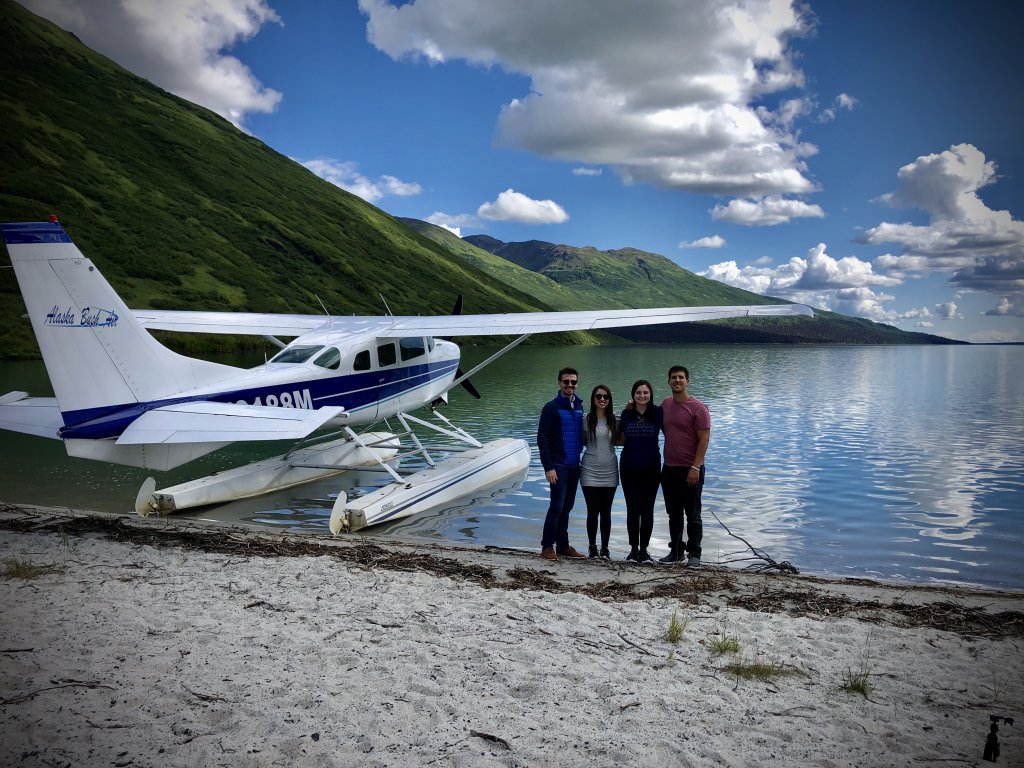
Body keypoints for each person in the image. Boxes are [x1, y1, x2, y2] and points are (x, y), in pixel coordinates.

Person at [659, 365, 710, 567]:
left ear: (687, 381)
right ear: (668, 381)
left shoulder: (698, 408)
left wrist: (695, 467)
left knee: (693, 514)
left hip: (692, 469)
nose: (677, 381)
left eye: (681, 377)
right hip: (669, 468)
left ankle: (695, 554)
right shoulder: (665, 404)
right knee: (673, 513)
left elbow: (704, 439)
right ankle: (677, 551)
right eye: (673, 377)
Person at [536, 367, 586, 561]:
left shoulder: (580, 407)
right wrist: (548, 467)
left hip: (575, 465)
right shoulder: (551, 408)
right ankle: (547, 547)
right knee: (556, 506)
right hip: (558, 466)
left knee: (567, 507)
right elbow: (542, 439)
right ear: (559, 383)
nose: (570, 385)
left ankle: (563, 545)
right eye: (566, 382)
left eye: (573, 382)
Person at [618, 379, 662, 563]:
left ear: (650, 394)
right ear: (633, 395)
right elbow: (618, 436)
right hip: (629, 467)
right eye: (638, 393)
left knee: (648, 510)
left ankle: (644, 550)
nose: (642, 395)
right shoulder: (626, 413)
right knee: (632, 509)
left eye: (645, 392)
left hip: (651, 467)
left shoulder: (658, 413)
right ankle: (633, 550)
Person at [580, 385, 619, 559]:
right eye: (598, 396)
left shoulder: (615, 420)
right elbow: (581, 440)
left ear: (609, 400)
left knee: (606, 511)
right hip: (589, 470)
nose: (602, 399)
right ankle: (592, 548)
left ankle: (605, 548)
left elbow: (623, 439)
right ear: (593, 399)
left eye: (605, 397)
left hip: (610, 470)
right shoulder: (585, 419)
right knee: (592, 511)